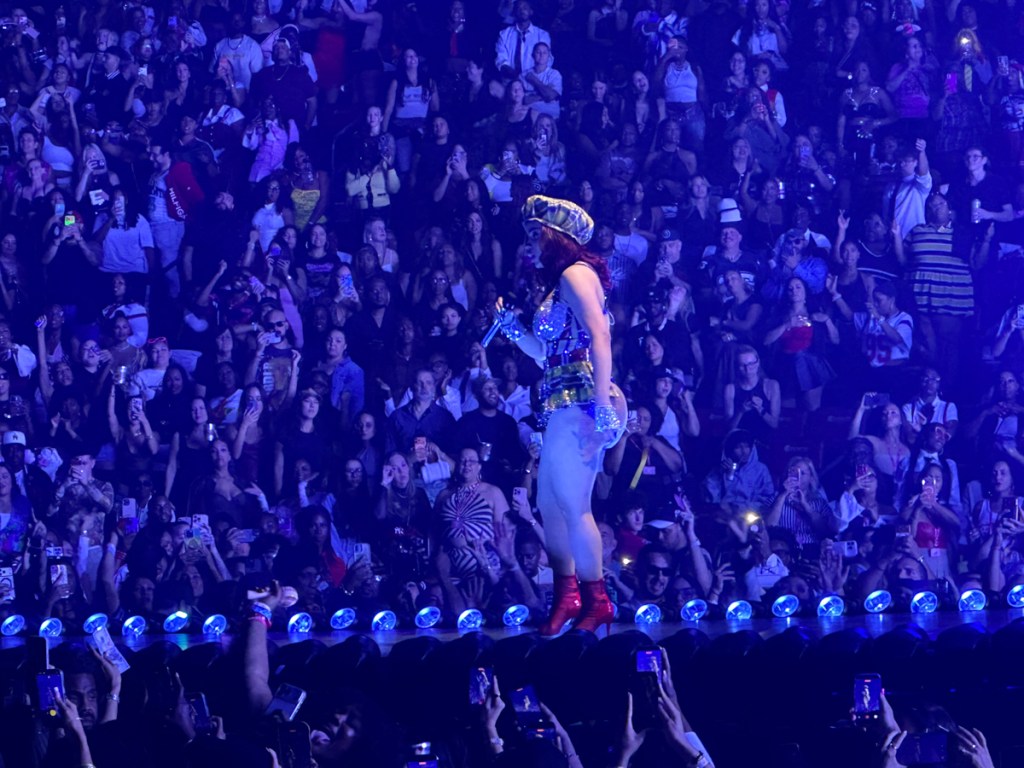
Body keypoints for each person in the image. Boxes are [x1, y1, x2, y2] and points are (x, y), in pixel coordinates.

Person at [492, 194, 622, 635]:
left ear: (556, 237)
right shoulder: (556, 284)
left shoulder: (576, 273)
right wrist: (512, 329)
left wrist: (603, 404)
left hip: (581, 398)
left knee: (572, 503)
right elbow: (546, 352)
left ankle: (596, 599)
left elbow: (600, 336)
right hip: (558, 399)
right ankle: (567, 596)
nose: (529, 243)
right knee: (548, 504)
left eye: (536, 234)